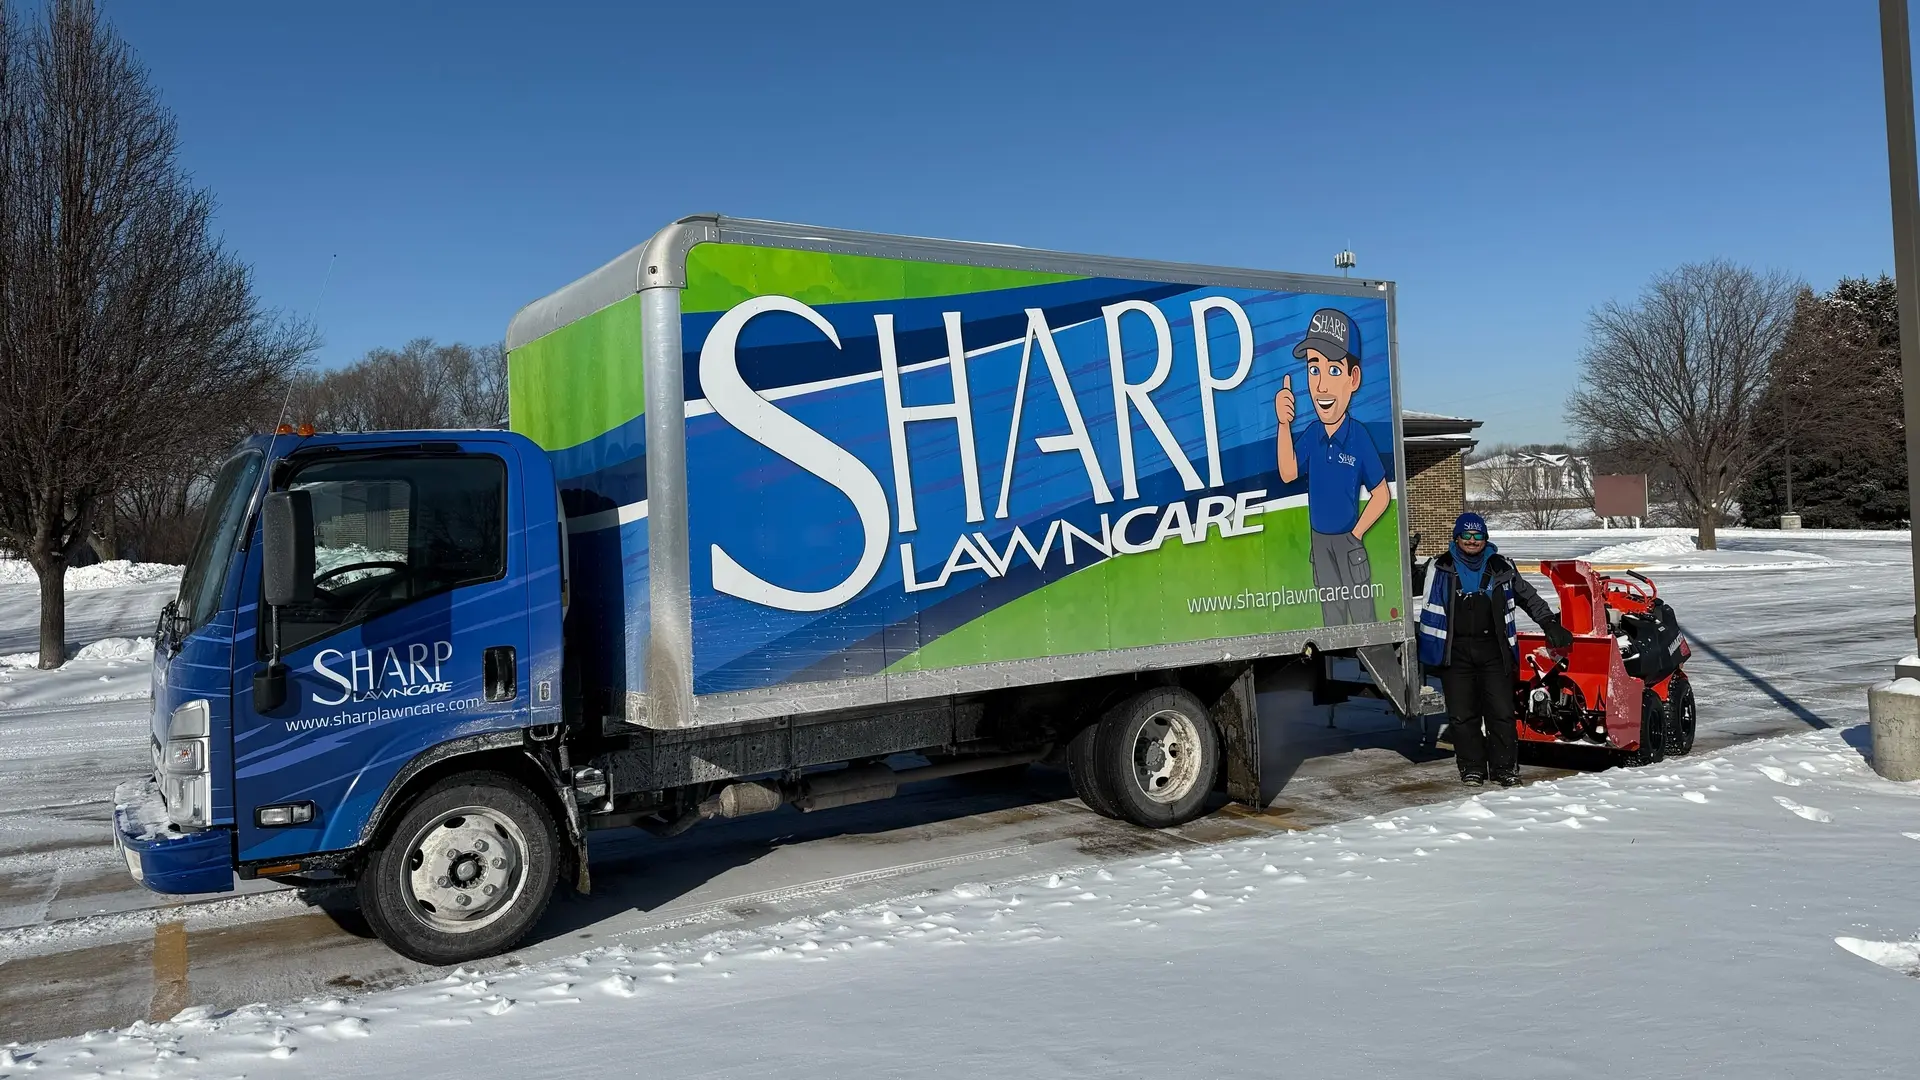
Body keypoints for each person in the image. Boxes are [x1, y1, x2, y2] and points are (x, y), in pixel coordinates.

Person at [1417, 512, 1573, 787]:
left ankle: (1504, 768)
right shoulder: (1439, 566)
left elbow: (1528, 596)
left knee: (1501, 712)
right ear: (1457, 537)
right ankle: (1472, 768)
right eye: (1466, 535)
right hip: (1454, 651)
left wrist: (1549, 622)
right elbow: (1413, 585)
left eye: (1478, 535)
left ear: (1486, 538)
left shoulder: (1502, 566)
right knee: (1463, 715)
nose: (1472, 540)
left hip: (1494, 650)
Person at [1273, 307, 1391, 626]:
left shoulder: (1358, 436)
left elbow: (1381, 495)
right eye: (1314, 370)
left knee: (1363, 620)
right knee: (1332, 623)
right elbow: (1288, 472)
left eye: (1334, 371)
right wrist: (1284, 424)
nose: (1322, 386)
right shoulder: (1312, 434)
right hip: (1319, 542)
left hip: (1348, 543)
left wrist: (1356, 534)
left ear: (1353, 379)